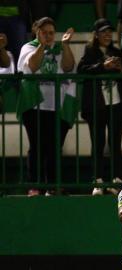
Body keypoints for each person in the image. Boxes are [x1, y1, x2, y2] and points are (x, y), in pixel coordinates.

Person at [17, 17, 76, 196]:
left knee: (53, 147)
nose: (49, 36)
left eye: (51, 33)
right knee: (36, 146)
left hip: (56, 106)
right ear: (37, 33)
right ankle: (34, 186)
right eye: (44, 33)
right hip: (34, 105)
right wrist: (42, 45)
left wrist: (65, 45)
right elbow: (32, 67)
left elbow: (68, 67)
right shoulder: (28, 47)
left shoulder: (59, 48)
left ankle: (52, 185)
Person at [78, 18, 122, 195]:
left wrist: (120, 69)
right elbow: (82, 71)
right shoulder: (89, 51)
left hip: (116, 103)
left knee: (115, 143)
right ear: (96, 35)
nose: (108, 34)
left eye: (110, 31)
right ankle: (98, 181)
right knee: (98, 142)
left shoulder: (117, 52)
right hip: (97, 105)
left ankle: (117, 180)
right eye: (103, 32)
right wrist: (103, 66)